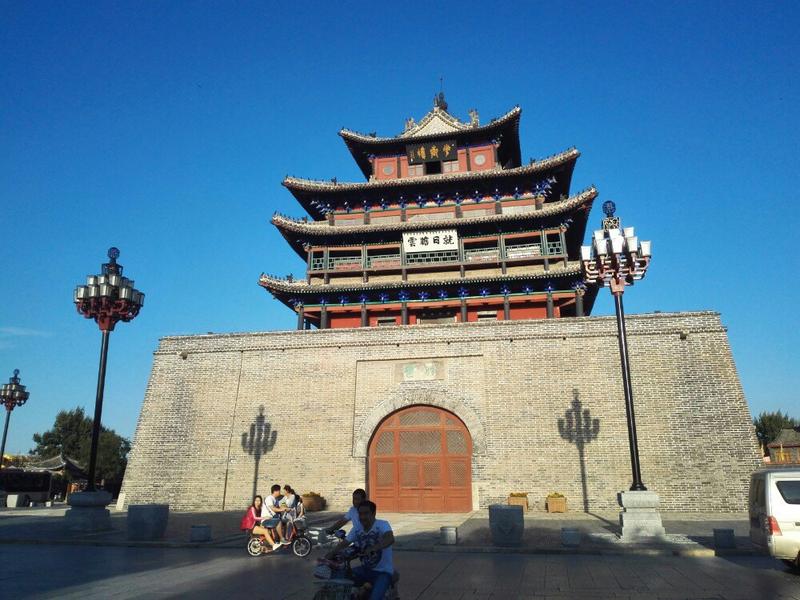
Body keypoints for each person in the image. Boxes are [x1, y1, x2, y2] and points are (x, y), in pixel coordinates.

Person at [326, 500, 394, 600]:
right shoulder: (357, 528)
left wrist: (374, 548)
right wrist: (331, 554)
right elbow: (345, 543)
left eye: (366, 513)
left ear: (373, 513)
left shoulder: (382, 524)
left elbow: (389, 538)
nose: (362, 517)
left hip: (382, 572)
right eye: (360, 514)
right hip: (364, 570)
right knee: (340, 579)